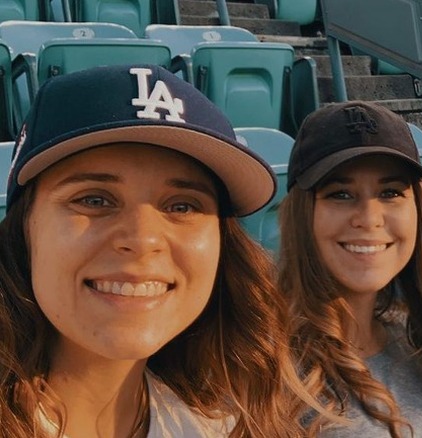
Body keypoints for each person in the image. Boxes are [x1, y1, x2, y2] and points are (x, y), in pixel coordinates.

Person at [0, 64, 315, 437]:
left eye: (182, 206)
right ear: (24, 227)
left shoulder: (220, 427)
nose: (143, 238)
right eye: (94, 199)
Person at [278, 101, 422, 437]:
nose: (370, 218)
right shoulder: (269, 367)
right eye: (340, 194)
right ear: (304, 216)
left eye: (390, 192)